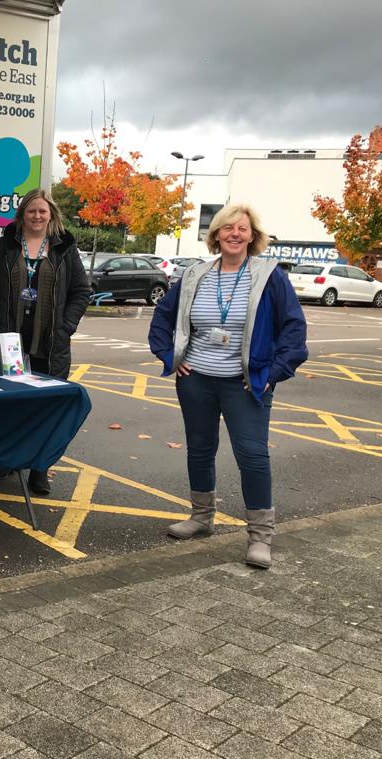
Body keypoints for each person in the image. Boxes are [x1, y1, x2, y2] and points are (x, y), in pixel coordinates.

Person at [148, 204, 307, 569]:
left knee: (252, 456)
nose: (235, 234)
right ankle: (202, 517)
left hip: (246, 384)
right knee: (200, 449)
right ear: (215, 235)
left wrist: (272, 374)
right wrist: (170, 356)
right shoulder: (195, 274)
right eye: (227, 228)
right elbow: (164, 316)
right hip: (196, 380)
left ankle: (261, 536)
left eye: (242, 229)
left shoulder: (270, 276)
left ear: (253, 236)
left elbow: (294, 329)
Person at [0, 188, 91, 495]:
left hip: (49, 344)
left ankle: (40, 468)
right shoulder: (4, 247)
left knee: (46, 408)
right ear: (22, 215)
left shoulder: (64, 249)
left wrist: (66, 327)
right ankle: (7, 459)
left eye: (42, 211)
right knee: (8, 404)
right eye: (31, 211)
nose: (37, 216)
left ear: (51, 214)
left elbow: (81, 291)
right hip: (6, 341)